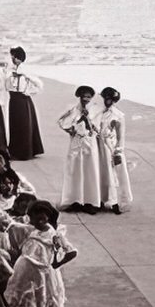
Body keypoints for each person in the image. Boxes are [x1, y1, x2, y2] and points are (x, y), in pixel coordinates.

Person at [3, 199, 77, 307]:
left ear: (48, 217)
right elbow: (12, 227)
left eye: (42, 218)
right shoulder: (30, 230)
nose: (39, 221)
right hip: (29, 277)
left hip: (46, 278)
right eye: (35, 218)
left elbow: (71, 251)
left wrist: (57, 264)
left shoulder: (54, 235)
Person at [58, 86, 101, 215]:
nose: (86, 99)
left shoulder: (95, 110)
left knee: (90, 171)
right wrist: (71, 128)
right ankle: (75, 200)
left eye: (88, 97)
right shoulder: (73, 109)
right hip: (76, 142)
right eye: (84, 96)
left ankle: (91, 202)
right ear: (79, 97)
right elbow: (62, 122)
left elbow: (97, 129)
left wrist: (89, 122)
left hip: (89, 142)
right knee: (74, 171)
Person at [95, 86, 133, 214]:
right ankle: (101, 198)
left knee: (114, 174)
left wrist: (118, 150)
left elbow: (121, 135)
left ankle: (116, 202)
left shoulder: (118, 115)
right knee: (101, 173)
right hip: (99, 145)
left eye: (110, 99)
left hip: (110, 146)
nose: (107, 101)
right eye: (105, 98)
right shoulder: (100, 112)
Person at [5, 47, 44, 161]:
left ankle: (25, 152)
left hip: (23, 100)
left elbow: (39, 85)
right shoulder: (9, 70)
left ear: (21, 58)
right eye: (13, 56)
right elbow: (6, 85)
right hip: (13, 100)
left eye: (16, 57)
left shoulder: (26, 70)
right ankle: (14, 151)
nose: (13, 59)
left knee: (24, 126)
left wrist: (28, 92)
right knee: (14, 125)